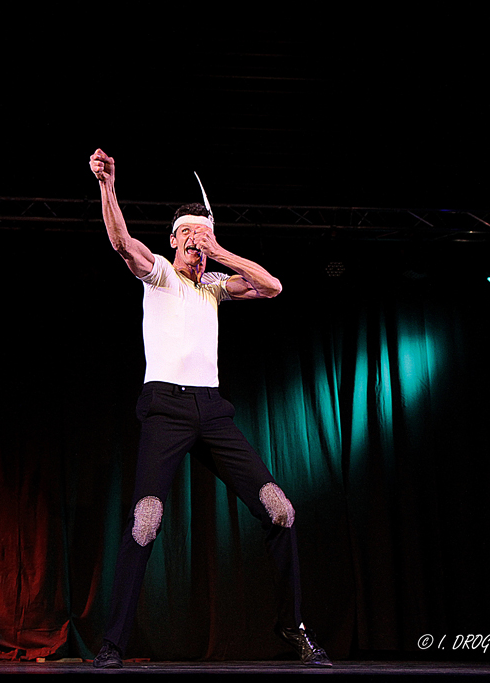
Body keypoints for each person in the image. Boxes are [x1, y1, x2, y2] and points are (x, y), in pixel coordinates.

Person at [88, 149, 330, 668]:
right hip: (165, 408)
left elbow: (273, 287)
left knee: (281, 511)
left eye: (202, 241)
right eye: (189, 239)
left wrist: (219, 250)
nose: (195, 249)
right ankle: (113, 644)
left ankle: (292, 628)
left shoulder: (215, 288)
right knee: (145, 521)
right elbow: (120, 242)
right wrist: (108, 185)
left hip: (213, 412)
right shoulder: (159, 274)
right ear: (174, 240)